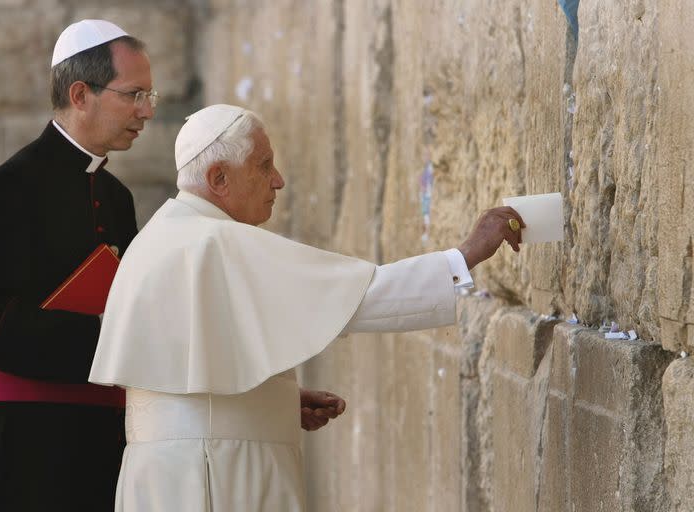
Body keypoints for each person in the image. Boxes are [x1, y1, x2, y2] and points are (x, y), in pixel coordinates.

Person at [89, 104, 525, 511]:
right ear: (219, 178)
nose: (277, 180)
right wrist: (464, 255)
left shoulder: (161, 235)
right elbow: (360, 297)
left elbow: (190, 377)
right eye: (263, 166)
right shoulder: (217, 242)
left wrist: (273, 397)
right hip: (215, 473)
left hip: (169, 473)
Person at [0, 19, 156, 512]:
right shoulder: (14, 185)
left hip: (104, 439)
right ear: (81, 94)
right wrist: (99, 336)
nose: (146, 110)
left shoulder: (115, 196)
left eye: (150, 95)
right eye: (134, 94)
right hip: (27, 444)